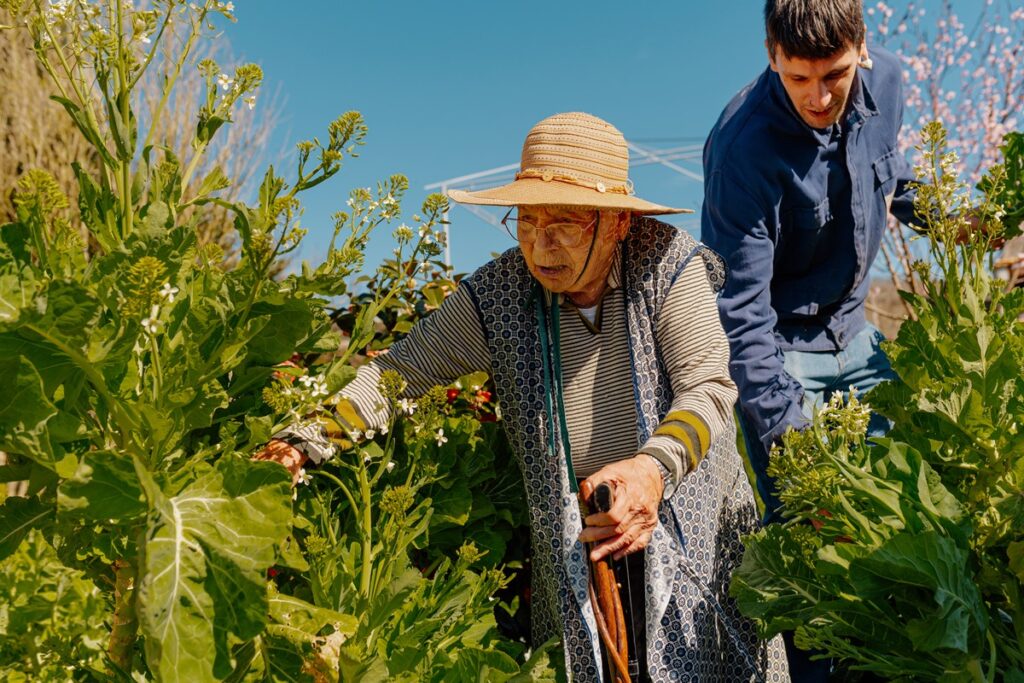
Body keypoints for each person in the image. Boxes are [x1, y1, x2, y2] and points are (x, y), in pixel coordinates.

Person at [261, 112, 789, 681]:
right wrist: (300, 442)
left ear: (616, 224)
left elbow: (707, 387)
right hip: (579, 546)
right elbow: (399, 372)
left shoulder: (668, 264)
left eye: (563, 223)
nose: (540, 246)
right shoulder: (497, 294)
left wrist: (651, 470)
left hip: (688, 522)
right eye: (527, 221)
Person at [700, 0, 918, 679]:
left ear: (862, 50)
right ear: (771, 55)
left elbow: (898, 179)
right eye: (798, 78)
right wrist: (791, 444)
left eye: (835, 75)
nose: (818, 97)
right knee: (813, 538)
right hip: (780, 344)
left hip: (854, 330)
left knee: (900, 509)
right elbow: (741, 317)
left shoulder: (888, 83)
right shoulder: (743, 146)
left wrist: (957, 217)